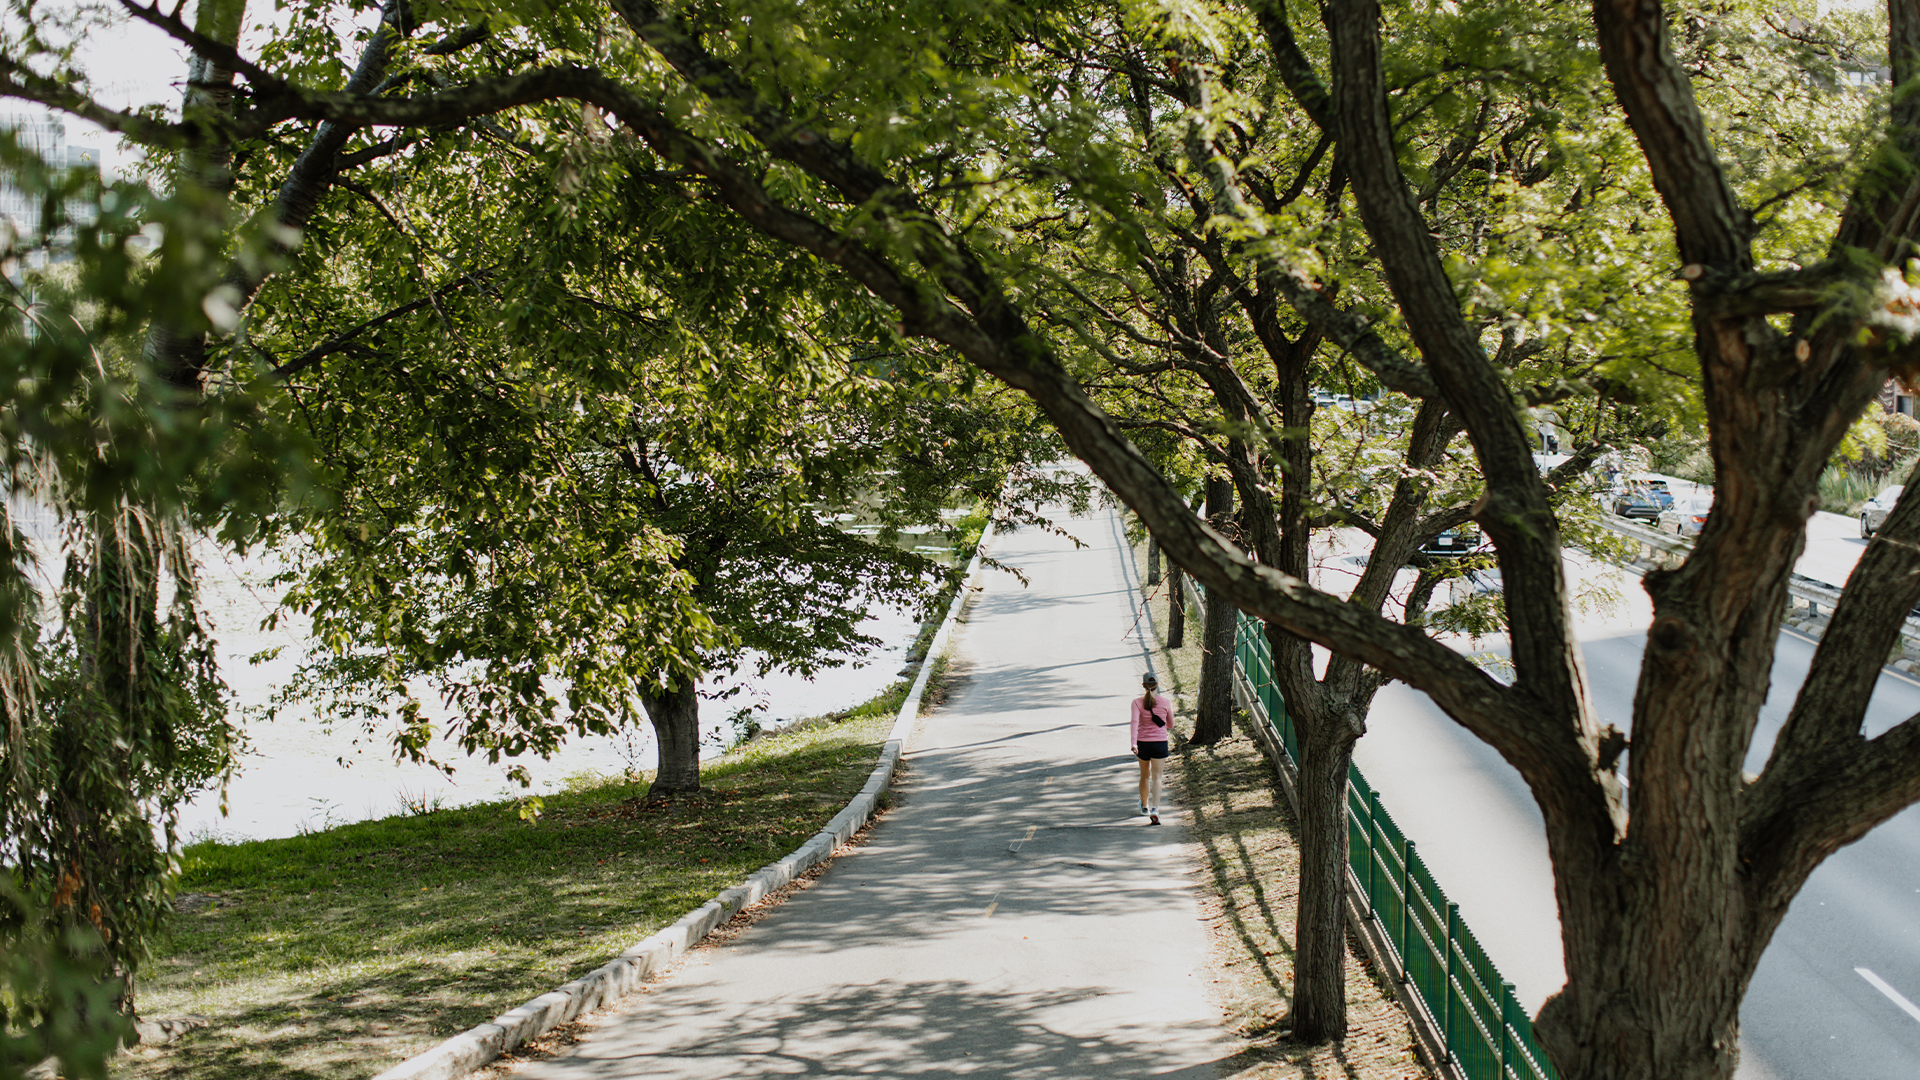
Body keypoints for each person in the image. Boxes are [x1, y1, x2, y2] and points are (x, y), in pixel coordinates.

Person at [1131, 672, 1172, 825]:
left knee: (1144, 775)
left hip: (1143, 743)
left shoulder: (1136, 703)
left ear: (1143, 685)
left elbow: (1134, 723)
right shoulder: (1166, 702)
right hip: (1160, 743)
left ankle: (1144, 806)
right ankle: (1155, 808)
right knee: (1157, 777)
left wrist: (1134, 743)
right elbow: (1171, 724)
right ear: (1157, 684)